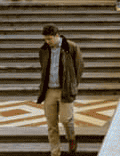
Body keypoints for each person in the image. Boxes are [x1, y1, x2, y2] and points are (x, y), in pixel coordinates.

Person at [37, 24, 84, 156]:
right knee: (51, 123)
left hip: (65, 89)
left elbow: (79, 67)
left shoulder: (71, 47)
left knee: (65, 119)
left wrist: (72, 84)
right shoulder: (44, 49)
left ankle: (72, 139)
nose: (47, 42)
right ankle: (55, 152)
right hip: (49, 91)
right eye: (45, 39)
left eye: (50, 39)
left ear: (57, 36)